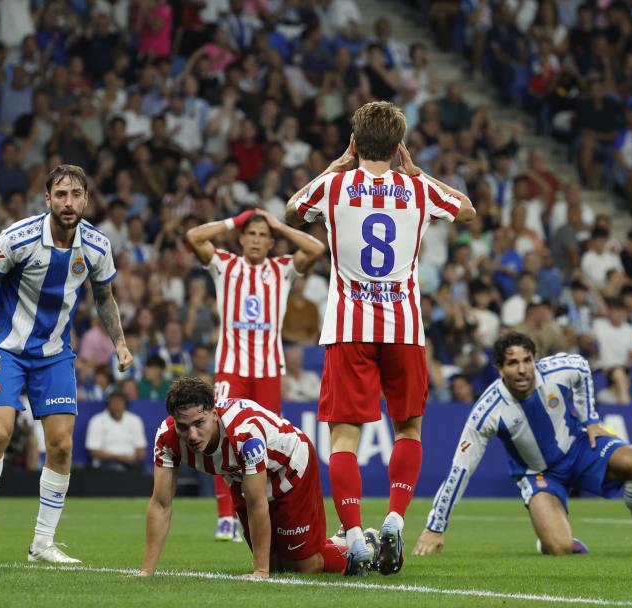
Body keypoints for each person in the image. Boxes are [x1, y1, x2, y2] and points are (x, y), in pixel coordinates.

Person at [285, 101, 476, 575]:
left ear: (354, 142)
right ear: (398, 146)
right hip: (404, 328)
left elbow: (292, 212)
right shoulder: (417, 188)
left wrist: (333, 166)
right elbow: (468, 210)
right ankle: (394, 520)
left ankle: (354, 537)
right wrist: (418, 172)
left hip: (349, 327)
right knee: (407, 429)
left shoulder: (333, 186)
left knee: (344, 438)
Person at [0, 164, 133, 564]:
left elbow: (104, 298)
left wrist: (120, 343)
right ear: (48, 199)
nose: (69, 203)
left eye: (76, 195)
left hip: (53, 354)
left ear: (86, 199)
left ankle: (42, 543)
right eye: (61, 195)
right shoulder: (18, 238)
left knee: (62, 446)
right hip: (6, 348)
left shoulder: (97, 246)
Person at [413, 332, 632, 558]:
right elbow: (460, 471)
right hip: (538, 474)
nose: (522, 370)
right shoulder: (487, 412)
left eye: (527, 360)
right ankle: (550, 536)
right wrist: (435, 528)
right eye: (513, 363)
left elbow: (582, 367)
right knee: (560, 548)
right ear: (499, 368)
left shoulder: (557, 370)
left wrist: (590, 418)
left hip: (578, 449)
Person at [141, 377, 375, 577]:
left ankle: (368, 546)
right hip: (241, 477)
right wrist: (146, 573)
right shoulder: (166, 438)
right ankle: (339, 541)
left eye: (199, 423)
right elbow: (161, 504)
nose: (192, 435)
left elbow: (256, 503)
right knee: (277, 566)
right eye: (183, 426)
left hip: (290, 470)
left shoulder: (244, 432)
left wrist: (260, 572)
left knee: (304, 566)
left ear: (213, 413)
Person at [185, 207, 325, 541]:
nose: (257, 240)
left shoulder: (282, 269)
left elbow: (317, 249)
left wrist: (280, 225)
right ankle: (226, 518)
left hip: (268, 372)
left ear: (271, 242)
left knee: (264, 444)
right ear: (242, 238)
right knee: (219, 439)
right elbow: (193, 237)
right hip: (232, 370)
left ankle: (261, 512)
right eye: (251, 233)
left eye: (263, 235)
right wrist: (236, 219)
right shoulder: (225, 265)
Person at [85, 391, 148, 470]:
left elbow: (141, 449)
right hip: (105, 464)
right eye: (114, 403)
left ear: (125, 404)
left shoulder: (135, 420)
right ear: (108, 404)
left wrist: (136, 458)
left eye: (120, 403)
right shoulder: (97, 421)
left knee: (148, 472)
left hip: (131, 463)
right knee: (118, 469)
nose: (117, 406)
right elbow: (94, 452)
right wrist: (119, 458)